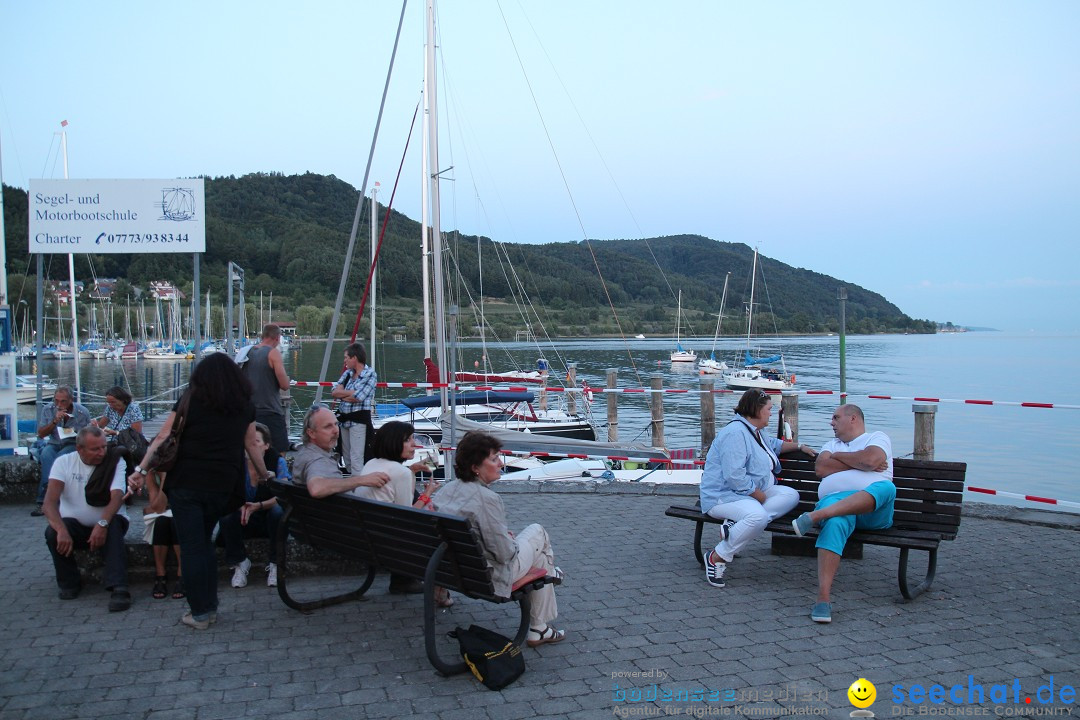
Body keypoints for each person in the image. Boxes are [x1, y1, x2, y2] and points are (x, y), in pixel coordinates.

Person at [129, 352, 272, 630]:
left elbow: (163, 437)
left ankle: (200, 613)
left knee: (193, 547)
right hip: (222, 485)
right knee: (204, 542)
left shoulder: (190, 400)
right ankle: (210, 607)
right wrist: (265, 475)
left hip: (186, 483)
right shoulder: (244, 406)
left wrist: (142, 470)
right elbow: (252, 445)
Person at [433, 431, 566, 648]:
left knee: (540, 558)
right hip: (489, 577)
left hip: (454, 570)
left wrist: (503, 538)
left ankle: (539, 628)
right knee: (538, 532)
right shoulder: (487, 499)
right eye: (494, 459)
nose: (501, 463)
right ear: (475, 467)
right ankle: (552, 576)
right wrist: (509, 541)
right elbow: (505, 554)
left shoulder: (446, 491)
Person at [700, 389, 815, 588]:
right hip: (724, 496)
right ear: (756, 409)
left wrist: (799, 446)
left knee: (791, 495)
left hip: (749, 494)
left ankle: (734, 527)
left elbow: (772, 445)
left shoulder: (756, 430)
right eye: (769, 409)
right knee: (758, 517)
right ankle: (717, 556)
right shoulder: (735, 433)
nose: (771, 413)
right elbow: (734, 476)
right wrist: (758, 495)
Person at [791, 404, 894, 624]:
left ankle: (816, 516)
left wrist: (839, 457)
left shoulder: (877, 437)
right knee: (836, 521)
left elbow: (871, 460)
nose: (831, 422)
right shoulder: (831, 444)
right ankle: (823, 599)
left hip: (873, 511)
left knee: (887, 488)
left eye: (836, 417)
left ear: (853, 418)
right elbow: (821, 469)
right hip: (836, 502)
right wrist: (858, 462)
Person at [42, 426, 131, 612]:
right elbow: (49, 504)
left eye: (104, 447)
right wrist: (61, 530)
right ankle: (69, 583)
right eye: (95, 449)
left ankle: (119, 587)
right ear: (80, 449)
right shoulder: (63, 462)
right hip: (75, 524)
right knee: (51, 532)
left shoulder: (115, 460)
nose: (102, 453)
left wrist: (102, 523)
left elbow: (117, 495)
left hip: (109, 520)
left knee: (113, 525)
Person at [218, 422, 291, 589]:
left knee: (279, 511)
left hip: (266, 519)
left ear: (266, 445)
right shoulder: (236, 464)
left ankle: (275, 563)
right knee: (225, 512)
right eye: (248, 441)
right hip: (244, 519)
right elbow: (226, 494)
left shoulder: (277, 462)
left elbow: (283, 496)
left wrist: (258, 505)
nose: (250, 445)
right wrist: (240, 506)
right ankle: (240, 562)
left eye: (256, 441)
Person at [33, 386, 92, 516]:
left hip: (72, 443)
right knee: (46, 455)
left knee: (60, 458)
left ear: (71, 400)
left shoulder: (82, 412)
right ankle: (43, 500)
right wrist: (55, 421)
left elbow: (86, 436)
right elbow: (41, 434)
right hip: (54, 442)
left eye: (63, 401)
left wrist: (75, 433)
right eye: (56, 401)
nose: (59, 404)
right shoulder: (48, 409)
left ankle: (55, 500)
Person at [242, 324, 291, 455]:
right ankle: (278, 474)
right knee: (280, 450)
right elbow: (284, 385)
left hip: (250, 411)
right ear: (277, 337)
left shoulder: (247, 351)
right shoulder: (273, 353)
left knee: (253, 450)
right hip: (270, 410)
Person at [330, 342, 377, 473]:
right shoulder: (347, 374)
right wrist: (350, 393)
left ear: (354, 358)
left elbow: (359, 397)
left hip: (359, 421)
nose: (344, 361)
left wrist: (343, 394)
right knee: (347, 457)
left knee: (357, 457)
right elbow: (334, 392)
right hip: (344, 421)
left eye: (346, 357)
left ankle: (357, 491)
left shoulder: (370, 374)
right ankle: (353, 482)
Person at [143, 466, 183, 600]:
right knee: (161, 522)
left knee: (176, 522)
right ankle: (160, 574)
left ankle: (182, 573)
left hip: (184, 510)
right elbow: (158, 507)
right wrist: (165, 478)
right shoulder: (152, 474)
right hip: (164, 513)